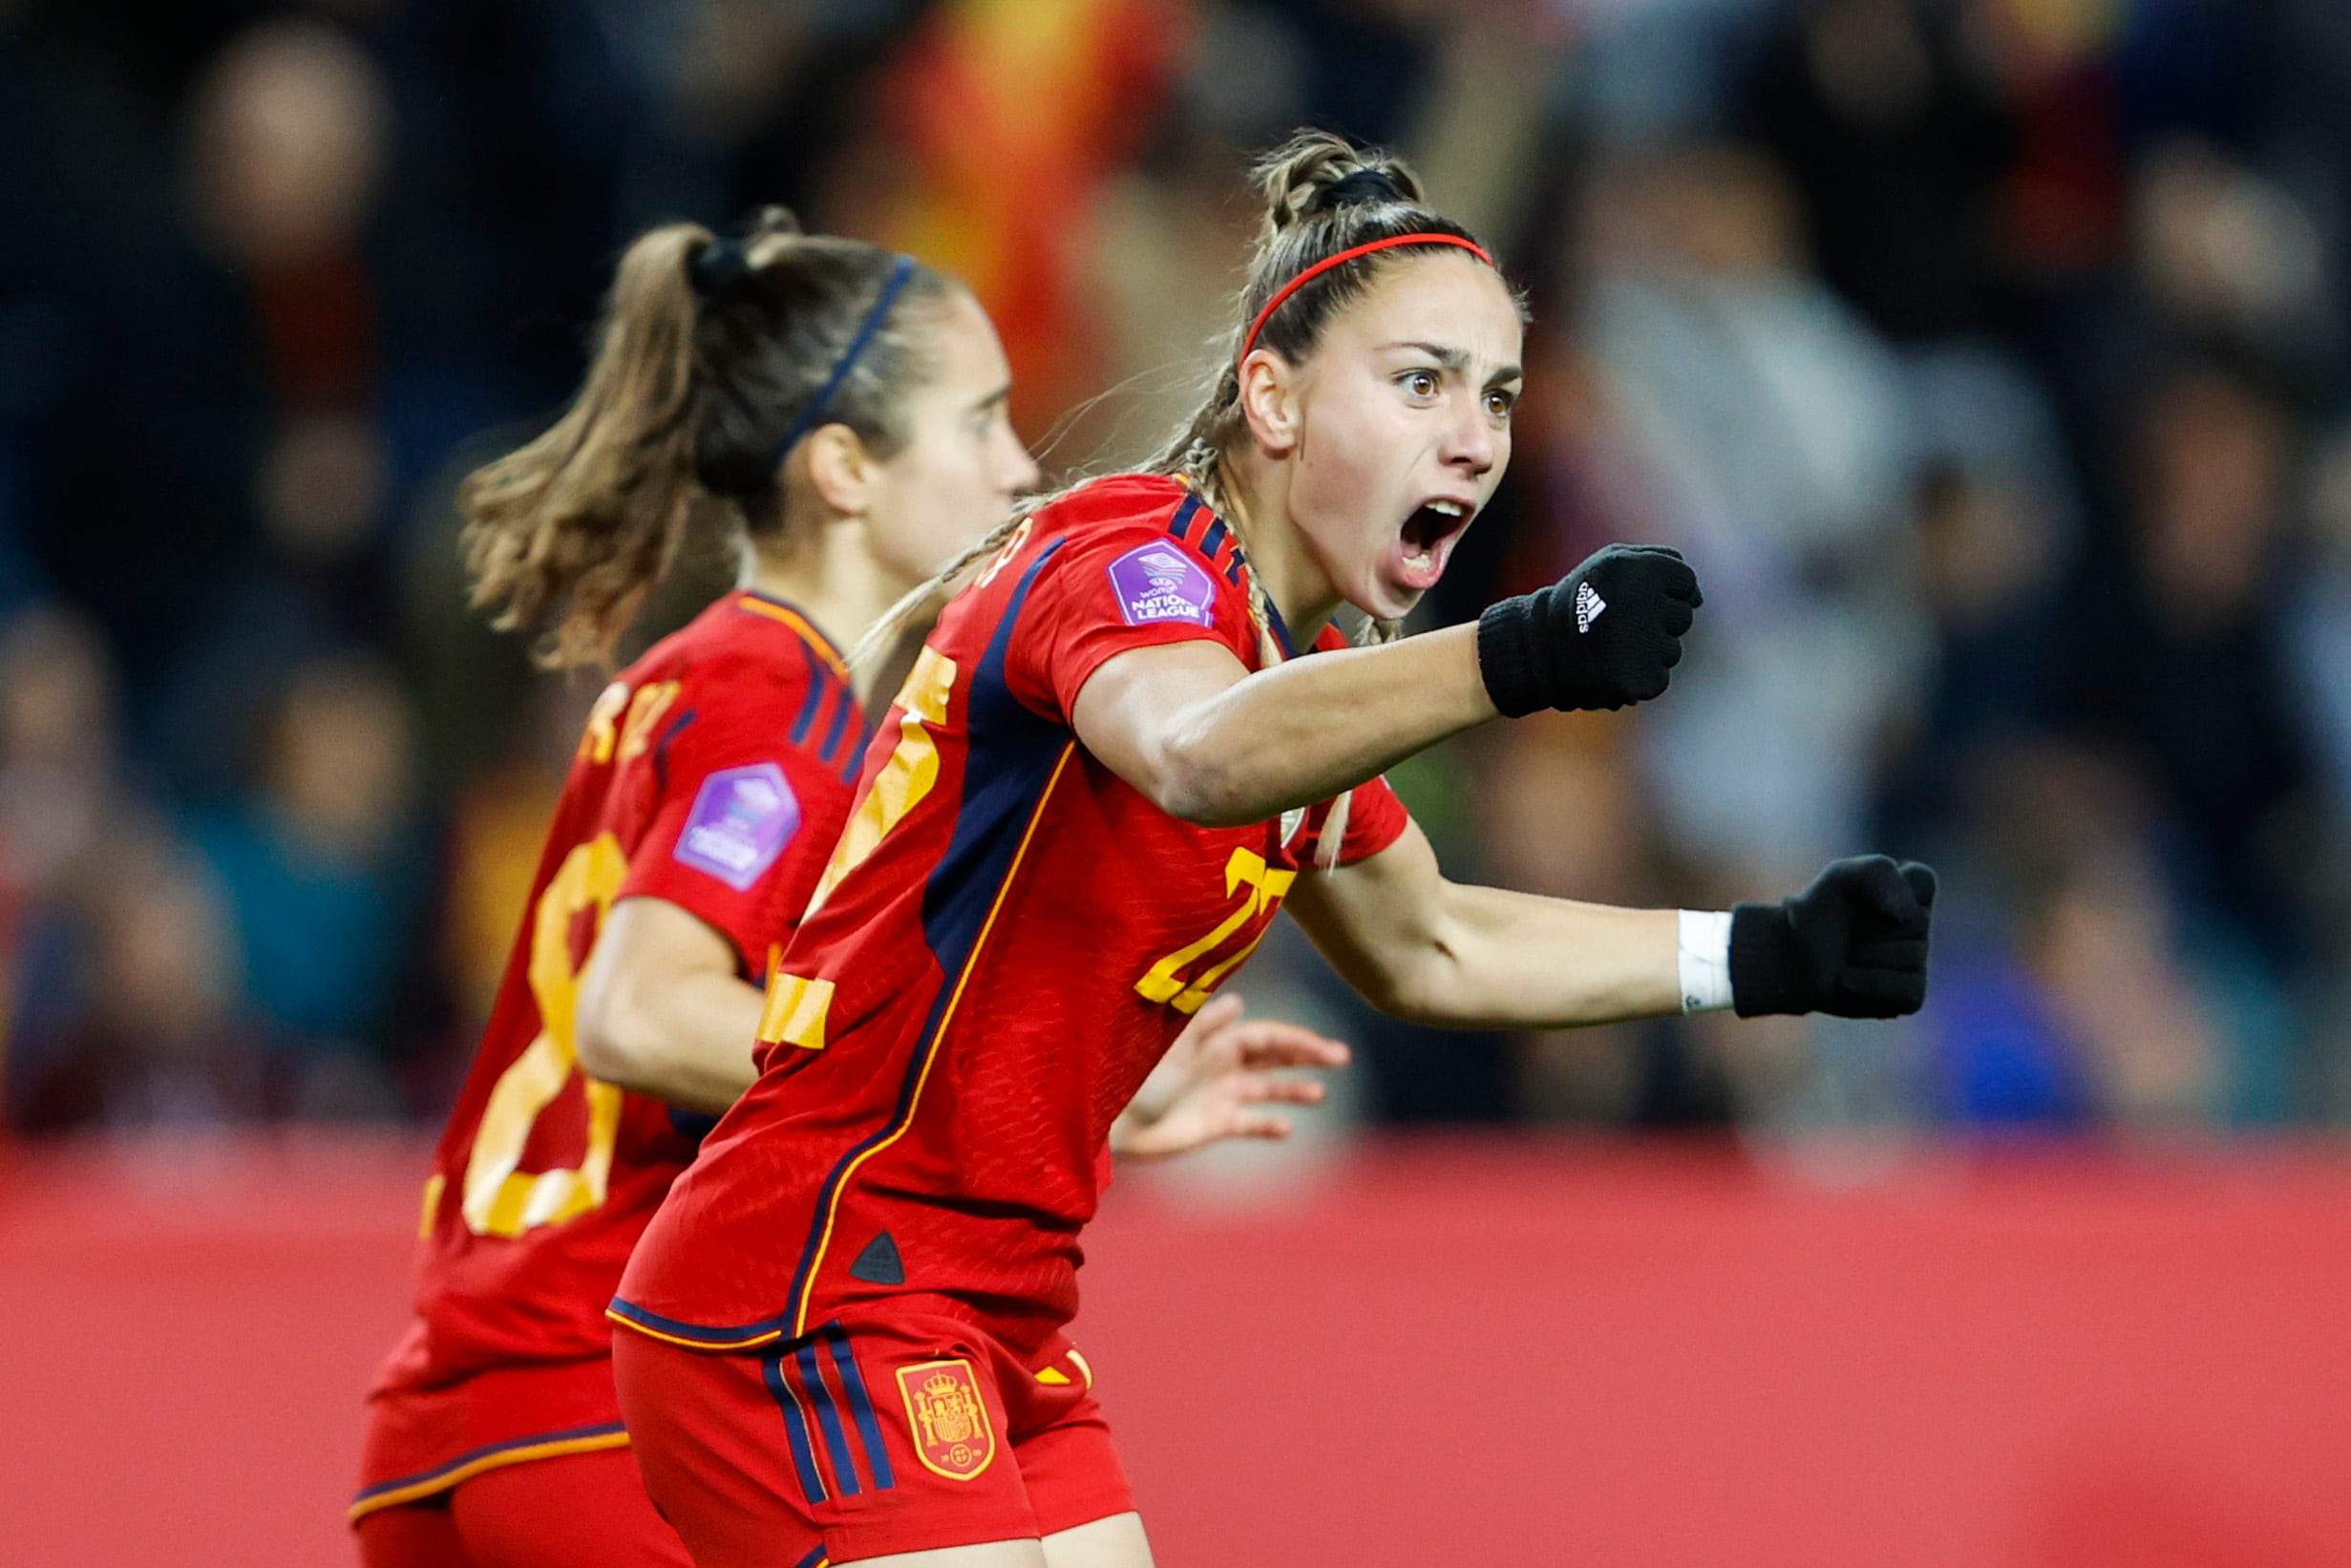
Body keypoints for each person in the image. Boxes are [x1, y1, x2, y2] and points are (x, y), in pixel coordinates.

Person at [610, 132, 1939, 1568]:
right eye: (1417, 380)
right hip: (813, 1286)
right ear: (1272, 396)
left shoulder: (1292, 673)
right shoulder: (1128, 554)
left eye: (1493, 393)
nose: (1474, 434)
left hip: (995, 1307)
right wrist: (1517, 652)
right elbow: (1192, 751)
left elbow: (1432, 940)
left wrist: (1760, 953)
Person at [351, 210, 1350, 1568]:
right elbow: (639, 1012)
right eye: (980, 422)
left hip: (471, 1403)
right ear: (842, 470)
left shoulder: (688, 678)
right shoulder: (782, 707)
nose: (1020, 467)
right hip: (597, 1397)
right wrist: (914, 1075)